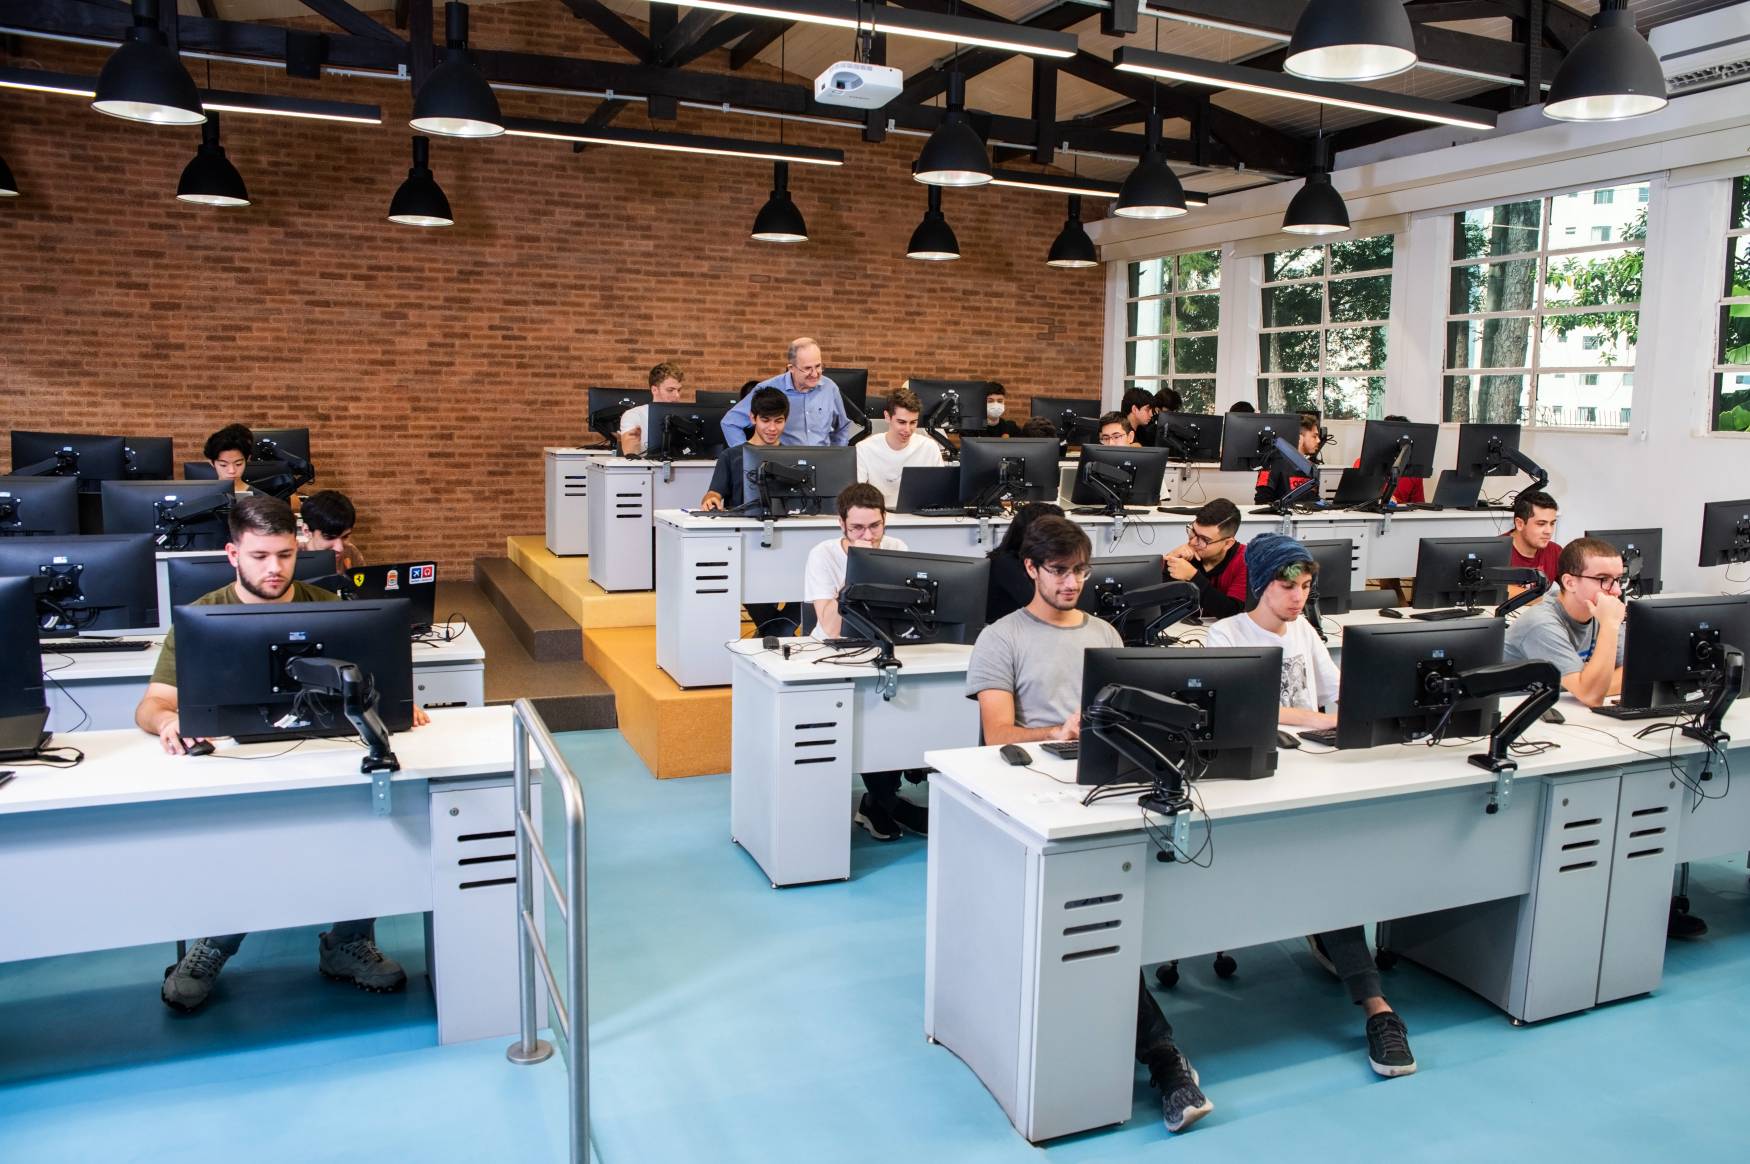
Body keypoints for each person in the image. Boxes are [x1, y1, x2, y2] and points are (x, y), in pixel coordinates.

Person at [965, 515, 1212, 1132]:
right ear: (1031, 569)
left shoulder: (1104, 632)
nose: (1072, 582)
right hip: (1036, 788)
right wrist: (1057, 731)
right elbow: (997, 735)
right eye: (1059, 571)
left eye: (1080, 571)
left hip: (1111, 781)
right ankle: (1164, 1061)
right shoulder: (1000, 638)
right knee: (1100, 920)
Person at [137, 495, 427, 1011]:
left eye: (286, 555)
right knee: (239, 844)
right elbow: (153, 703)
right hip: (236, 768)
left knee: (369, 823)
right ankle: (215, 942)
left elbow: (374, 682)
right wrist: (168, 721)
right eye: (260, 556)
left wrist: (401, 706)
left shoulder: (331, 607)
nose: (275, 569)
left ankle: (347, 941)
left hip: (325, 757)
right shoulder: (204, 616)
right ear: (232, 554)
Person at [1205, 533, 1419, 1078]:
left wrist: (1355, 710)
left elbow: (1337, 691)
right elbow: (1247, 711)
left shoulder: (1304, 630)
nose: (1298, 596)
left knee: (1335, 862)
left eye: (1305, 586)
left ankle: (1376, 1004)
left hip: (1311, 770)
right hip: (1249, 780)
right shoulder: (1223, 636)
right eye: (1287, 585)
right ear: (1260, 583)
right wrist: (1321, 719)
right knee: (1325, 866)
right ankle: (1371, 997)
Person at [802, 483, 921, 839]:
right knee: (871, 717)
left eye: (875, 527)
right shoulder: (822, 554)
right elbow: (832, 627)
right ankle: (880, 802)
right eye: (857, 528)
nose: (868, 536)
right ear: (842, 525)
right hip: (834, 655)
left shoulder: (897, 548)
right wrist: (859, 571)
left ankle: (883, 798)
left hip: (884, 648)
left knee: (905, 711)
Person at [701, 387, 794, 636]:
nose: (772, 428)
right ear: (752, 418)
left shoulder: (795, 457)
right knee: (744, 579)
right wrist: (711, 499)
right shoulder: (731, 456)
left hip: (788, 541)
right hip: (747, 545)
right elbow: (714, 493)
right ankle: (776, 632)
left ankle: (771, 632)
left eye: (779, 421)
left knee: (817, 582)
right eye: (765, 420)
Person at [1502, 536, 1625, 709]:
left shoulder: (1601, 612)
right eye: (1603, 579)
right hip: (1515, 716)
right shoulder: (1542, 623)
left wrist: (1589, 681)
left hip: (1561, 708)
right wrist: (1610, 627)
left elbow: (1636, 674)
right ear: (1569, 582)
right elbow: (1592, 696)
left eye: (1618, 579)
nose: (1616, 591)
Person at [721, 337, 851, 447]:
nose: (815, 374)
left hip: (822, 465)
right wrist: (746, 456)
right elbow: (730, 423)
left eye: (818, 366)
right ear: (791, 368)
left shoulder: (830, 388)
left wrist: (835, 456)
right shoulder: (768, 389)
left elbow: (843, 427)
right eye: (807, 368)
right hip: (784, 467)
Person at [855, 387, 944, 507]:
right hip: (880, 516)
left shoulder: (929, 447)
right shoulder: (864, 448)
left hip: (920, 517)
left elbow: (940, 491)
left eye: (913, 422)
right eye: (901, 422)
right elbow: (855, 496)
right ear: (887, 416)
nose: (907, 430)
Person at [1162, 497, 1248, 618]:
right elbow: (1159, 606)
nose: (1193, 542)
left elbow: (1232, 613)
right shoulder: (1186, 555)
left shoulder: (1246, 561)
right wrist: (1168, 563)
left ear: (1228, 543)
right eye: (1193, 532)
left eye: (1204, 540)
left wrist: (1193, 577)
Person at [984, 501, 1065, 624]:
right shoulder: (1004, 563)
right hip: (1006, 633)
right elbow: (1039, 607)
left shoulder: (1041, 560)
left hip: (1031, 628)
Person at [1350, 414, 1427, 504]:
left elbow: (1418, 506)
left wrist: (1396, 502)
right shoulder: (1362, 463)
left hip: (1400, 517)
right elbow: (1355, 500)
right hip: (1370, 516)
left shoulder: (1414, 471)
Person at [618, 361, 686, 455]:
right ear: (654, 390)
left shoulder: (685, 417)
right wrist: (634, 443)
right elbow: (631, 455)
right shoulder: (633, 415)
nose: (677, 395)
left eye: (679, 390)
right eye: (670, 390)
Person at [1254, 414, 1321, 505]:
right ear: (1299, 437)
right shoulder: (1271, 464)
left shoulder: (1312, 468)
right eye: (1314, 436)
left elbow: (1314, 501)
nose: (1318, 440)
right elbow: (1261, 501)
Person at [1505, 490, 1562, 587]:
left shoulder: (1555, 551)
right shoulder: (1496, 553)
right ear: (1520, 524)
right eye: (1541, 524)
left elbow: (1573, 587)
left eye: (1552, 523)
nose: (1549, 531)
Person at [300, 489, 364, 571]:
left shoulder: (351, 553)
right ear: (306, 531)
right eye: (329, 537)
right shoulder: (292, 560)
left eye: (345, 536)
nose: (340, 548)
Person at [204, 423, 256, 494]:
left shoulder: (260, 499)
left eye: (238, 464)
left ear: (247, 460)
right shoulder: (201, 495)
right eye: (223, 465)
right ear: (212, 463)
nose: (232, 471)